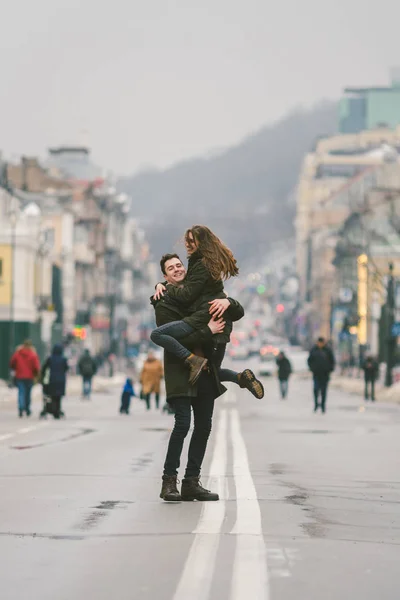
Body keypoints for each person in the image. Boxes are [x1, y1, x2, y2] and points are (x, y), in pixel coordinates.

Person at [153, 252, 247, 502]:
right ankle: (168, 481)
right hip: (180, 369)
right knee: (182, 424)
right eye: (170, 268)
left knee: (204, 426)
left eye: (179, 265)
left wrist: (229, 303)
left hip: (204, 369)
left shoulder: (195, 292)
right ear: (164, 276)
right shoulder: (162, 301)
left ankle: (191, 482)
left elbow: (229, 306)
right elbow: (175, 338)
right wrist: (206, 329)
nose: (176, 269)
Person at [151, 226, 264, 398]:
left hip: (204, 319)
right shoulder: (203, 262)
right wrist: (161, 285)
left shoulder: (200, 264)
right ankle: (241, 378)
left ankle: (195, 361)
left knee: (157, 335)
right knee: (213, 371)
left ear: (201, 242)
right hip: (214, 325)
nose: (188, 244)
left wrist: (166, 289)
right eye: (187, 240)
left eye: (192, 240)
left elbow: (187, 294)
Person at [10, 340, 40, 417]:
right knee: (28, 393)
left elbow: (12, 363)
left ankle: (21, 407)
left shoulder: (17, 353)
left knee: (21, 392)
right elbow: (36, 366)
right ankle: (27, 408)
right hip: (29, 377)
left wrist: (15, 369)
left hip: (19, 376)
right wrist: (36, 374)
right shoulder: (33, 354)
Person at [41, 344, 69, 419]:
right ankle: (57, 410)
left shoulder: (50, 359)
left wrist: (43, 376)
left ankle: (53, 409)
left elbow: (44, 368)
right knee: (58, 397)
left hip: (52, 380)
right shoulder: (63, 359)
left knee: (52, 395)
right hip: (61, 381)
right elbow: (66, 368)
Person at [307, 337, 335, 413]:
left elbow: (332, 361)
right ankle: (316, 404)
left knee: (324, 391)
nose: (320, 344)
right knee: (316, 390)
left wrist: (330, 369)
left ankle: (323, 405)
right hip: (316, 373)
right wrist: (312, 368)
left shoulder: (328, 350)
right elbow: (309, 360)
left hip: (325, 374)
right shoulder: (314, 350)